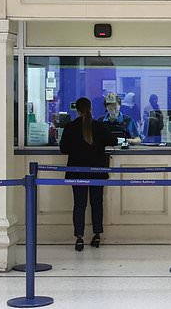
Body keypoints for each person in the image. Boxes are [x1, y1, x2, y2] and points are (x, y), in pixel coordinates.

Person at [59, 97, 117, 251]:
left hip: (77, 171)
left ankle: (79, 237)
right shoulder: (99, 126)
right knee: (96, 203)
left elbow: (63, 148)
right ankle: (97, 235)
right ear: (91, 109)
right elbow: (114, 140)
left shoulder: (70, 127)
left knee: (79, 204)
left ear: (77, 110)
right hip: (97, 171)